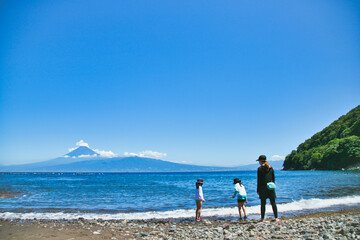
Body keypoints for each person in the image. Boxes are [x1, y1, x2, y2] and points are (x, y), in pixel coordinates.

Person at [256, 155, 280, 222]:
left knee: (263, 204)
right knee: (273, 203)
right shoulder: (271, 168)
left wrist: (258, 189)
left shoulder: (260, 169)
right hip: (271, 188)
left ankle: (262, 219)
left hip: (263, 188)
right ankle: (276, 218)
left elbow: (259, 180)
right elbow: (273, 178)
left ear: (261, 161)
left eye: (259, 161)